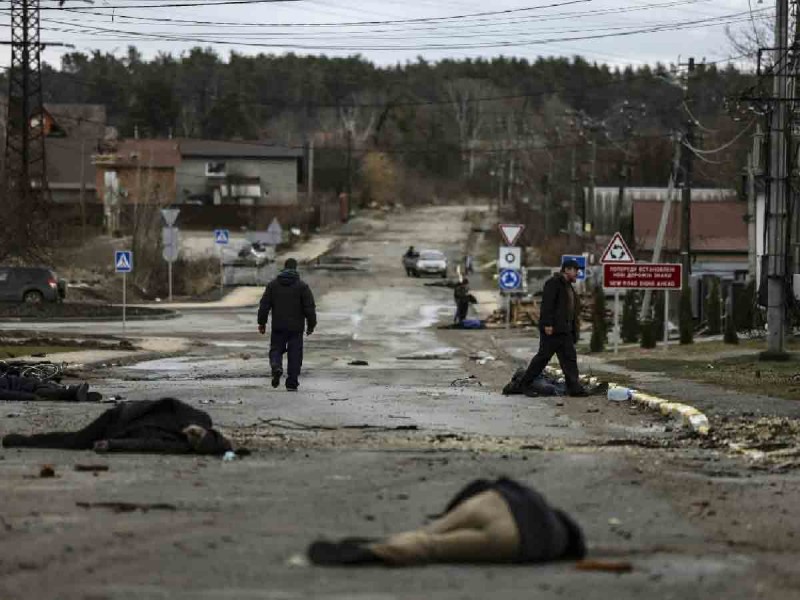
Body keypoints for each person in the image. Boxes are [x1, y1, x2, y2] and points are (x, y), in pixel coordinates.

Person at [307, 477, 586, 566]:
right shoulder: (554, 542)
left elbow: (479, 485)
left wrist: (448, 515)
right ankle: (379, 551)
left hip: (494, 500)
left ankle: (402, 538)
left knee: (429, 532)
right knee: (433, 548)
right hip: (513, 538)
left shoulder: (537, 500)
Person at [519, 258, 587, 396]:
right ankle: (524, 384)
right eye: (575, 270)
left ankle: (574, 388)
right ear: (567, 270)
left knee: (569, 359)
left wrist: (573, 330)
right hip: (553, 330)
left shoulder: (568, 287)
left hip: (565, 331)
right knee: (542, 358)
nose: (577, 274)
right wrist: (548, 324)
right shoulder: (554, 283)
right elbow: (547, 305)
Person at [258, 258, 317, 391]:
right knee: (295, 354)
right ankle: (292, 382)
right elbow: (309, 308)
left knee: (276, 349)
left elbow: (264, 306)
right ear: (295, 269)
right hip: (296, 328)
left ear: (284, 268)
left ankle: (276, 366)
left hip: (278, 326)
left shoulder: (273, 285)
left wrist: (262, 323)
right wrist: (311, 326)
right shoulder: (302, 286)